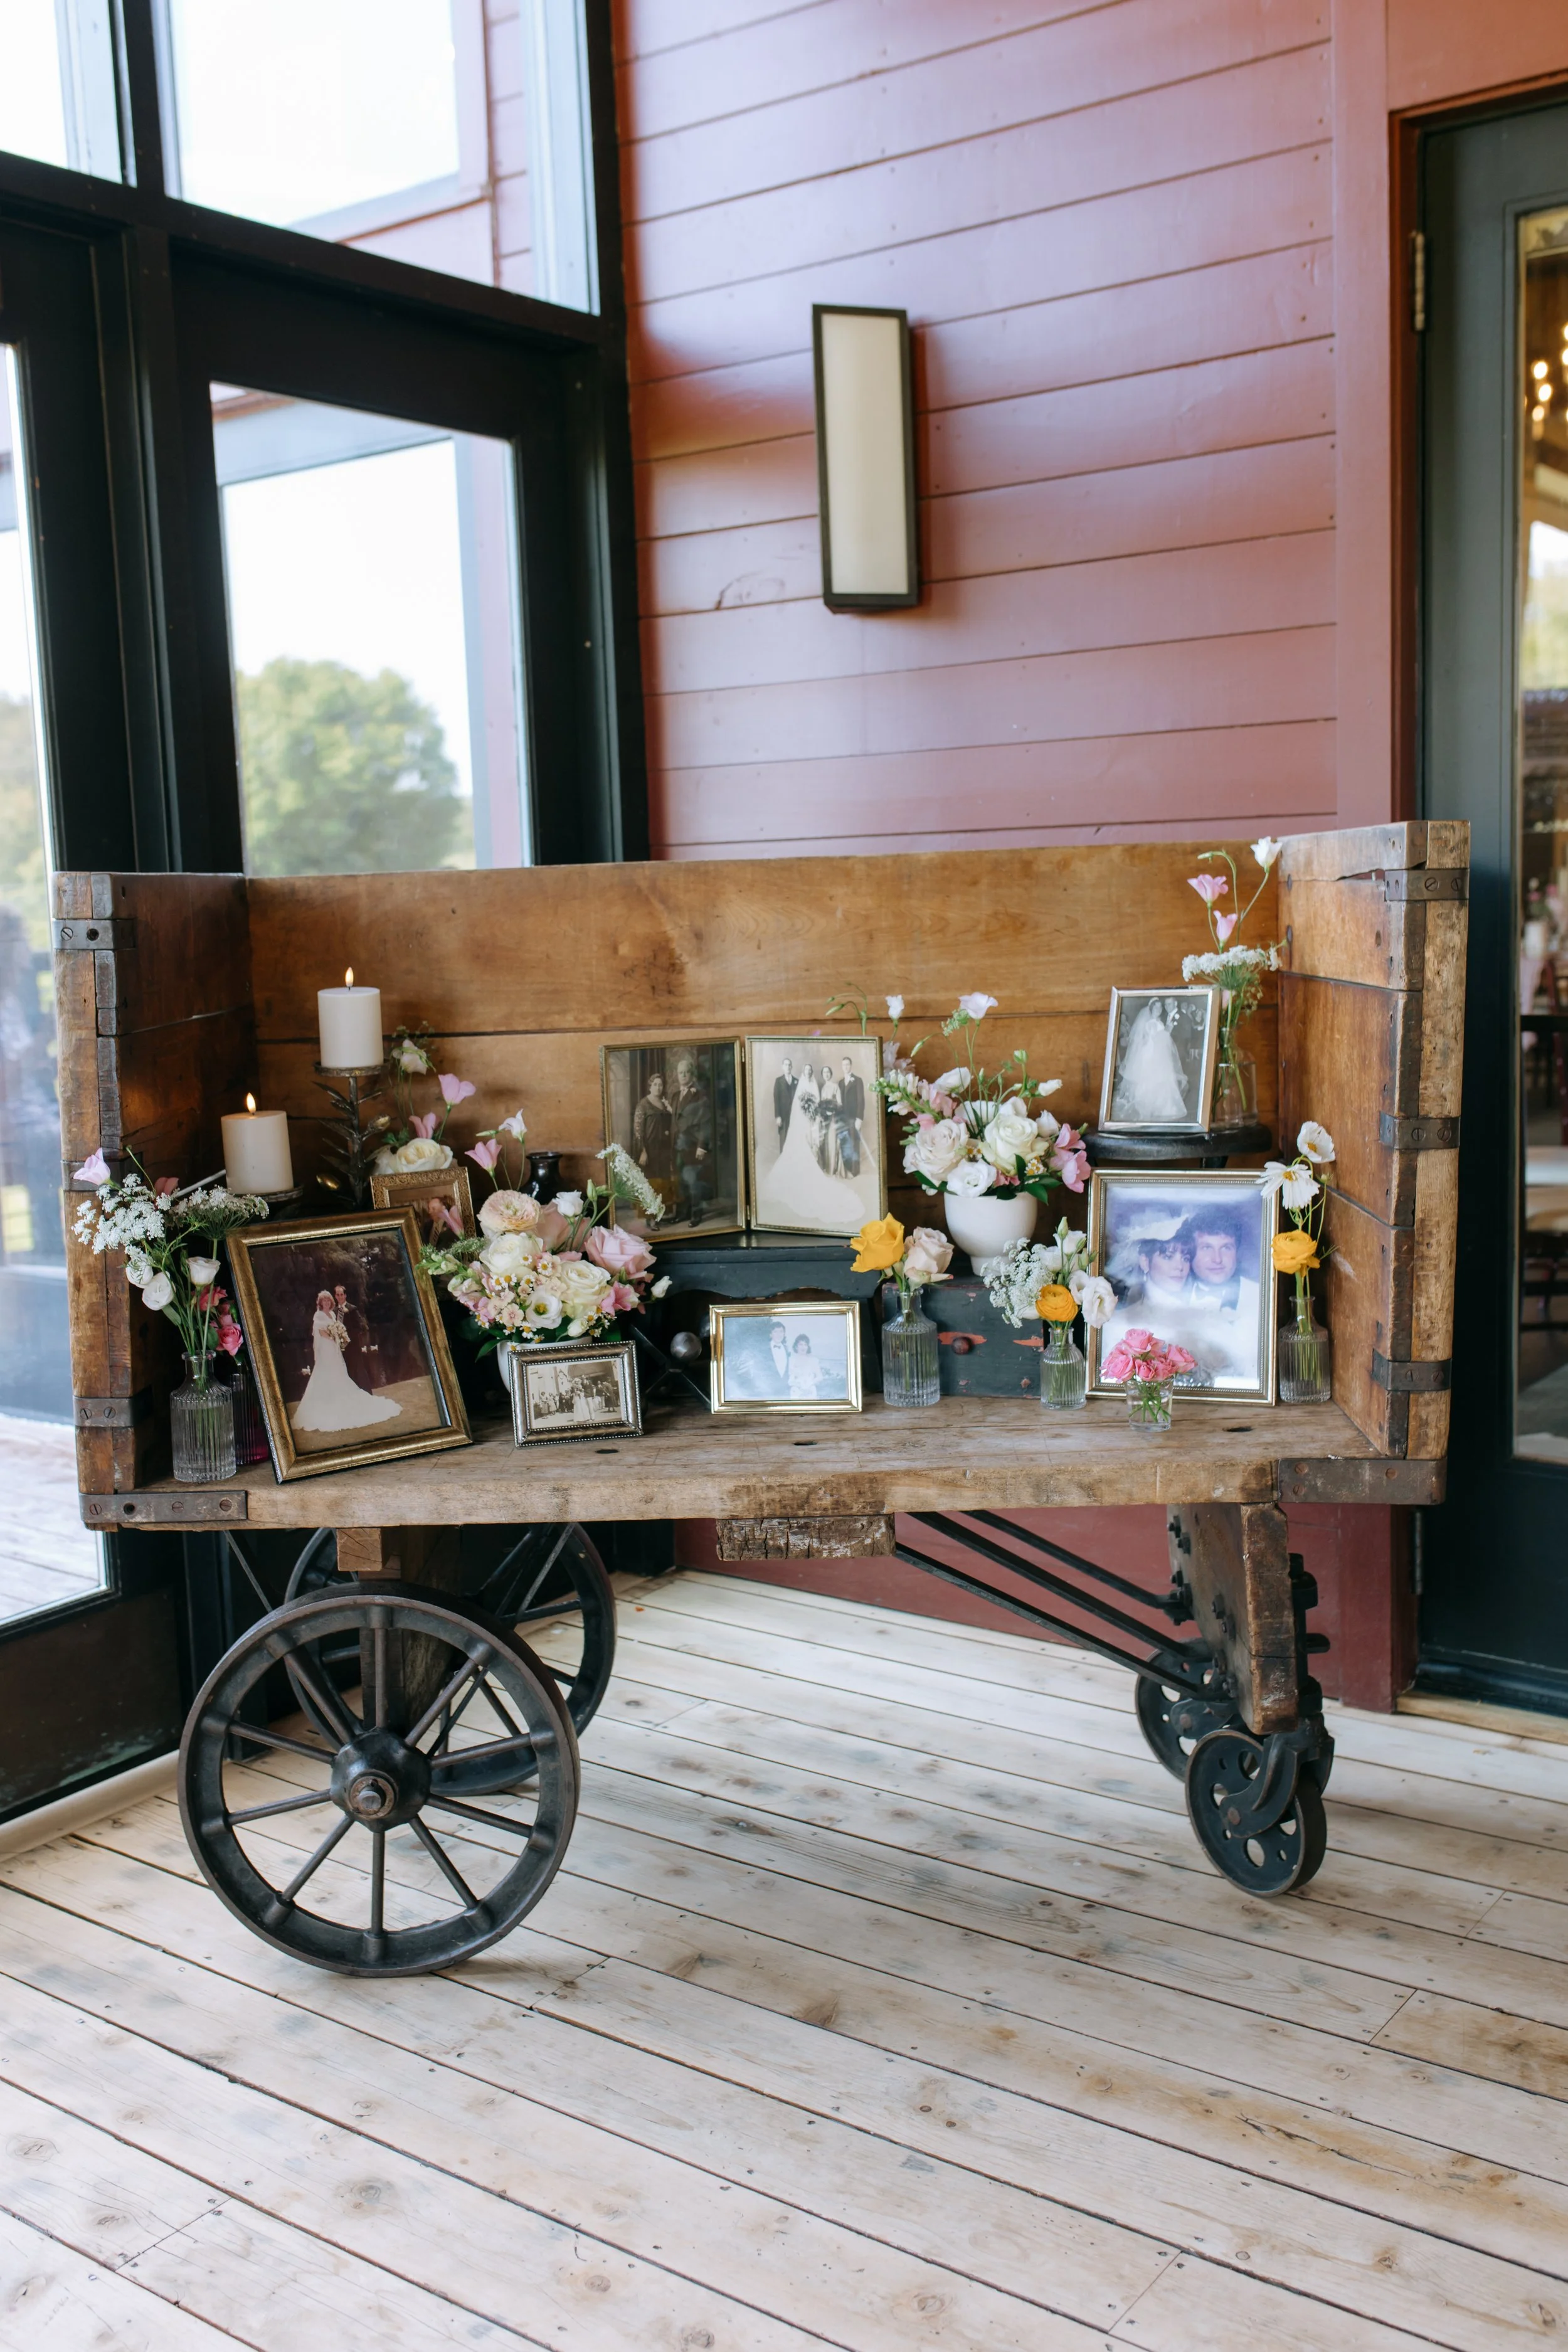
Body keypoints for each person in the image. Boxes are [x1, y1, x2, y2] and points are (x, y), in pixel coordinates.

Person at [294, 1287, 401, 1433]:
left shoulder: (332, 1313)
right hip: (326, 1348)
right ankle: (328, 1401)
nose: (326, 1302)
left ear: (330, 1302)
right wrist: (334, 1337)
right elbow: (320, 1332)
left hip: (335, 1348)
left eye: (328, 1300)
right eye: (323, 1300)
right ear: (320, 1302)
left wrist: (339, 1337)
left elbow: (340, 1327)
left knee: (339, 1372)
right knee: (327, 1372)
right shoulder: (318, 1315)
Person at [1114, 999, 1190, 1123]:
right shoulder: (1150, 1023)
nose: (1159, 1010)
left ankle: (1163, 1106)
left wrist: (1166, 1032)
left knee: (1164, 1079)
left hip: (1160, 1054)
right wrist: (1167, 1032)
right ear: (1151, 1009)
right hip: (1152, 1054)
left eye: (1161, 1007)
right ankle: (1153, 1107)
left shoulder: (1159, 1021)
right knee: (1153, 1079)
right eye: (1156, 1008)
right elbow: (1156, 1039)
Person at [670, 1056, 714, 1224]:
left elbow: (706, 1123)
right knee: (680, 1181)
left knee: (693, 1181)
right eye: (680, 1073)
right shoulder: (674, 1096)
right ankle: (683, 1212)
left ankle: (696, 1214)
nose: (683, 1076)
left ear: (692, 1075)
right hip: (678, 1146)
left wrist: (702, 1146)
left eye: (686, 1073)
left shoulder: (700, 1095)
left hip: (693, 1144)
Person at [632, 1069, 675, 1207]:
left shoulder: (665, 1104)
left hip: (664, 1149)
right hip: (650, 1150)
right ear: (650, 1087)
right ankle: (651, 1218)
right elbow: (638, 1130)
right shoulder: (643, 1104)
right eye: (655, 1084)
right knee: (651, 1182)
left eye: (661, 1085)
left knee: (664, 1180)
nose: (658, 1087)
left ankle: (664, 1214)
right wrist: (643, 1151)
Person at [836, 1054, 866, 1179]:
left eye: (848, 1064)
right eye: (844, 1065)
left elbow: (861, 1101)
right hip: (843, 1119)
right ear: (842, 1067)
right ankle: (846, 1169)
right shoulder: (841, 1083)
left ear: (851, 1066)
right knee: (845, 1144)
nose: (846, 1067)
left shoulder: (858, 1080)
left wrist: (859, 1118)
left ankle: (855, 1171)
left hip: (854, 1118)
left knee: (854, 1143)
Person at [773, 1058, 798, 1152]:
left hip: (795, 1116)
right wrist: (778, 1116)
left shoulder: (797, 1081)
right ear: (783, 1067)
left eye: (789, 1065)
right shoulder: (779, 1081)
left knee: (795, 1139)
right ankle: (783, 1164)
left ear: (792, 1067)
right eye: (786, 1065)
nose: (788, 1067)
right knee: (784, 1140)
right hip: (783, 1116)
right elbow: (776, 1099)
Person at [788, 1332, 822, 1399]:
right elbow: (790, 1378)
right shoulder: (791, 1360)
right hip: (796, 1391)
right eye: (801, 1344)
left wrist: (810, 1384)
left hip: (810, 1391)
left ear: (808, 1347)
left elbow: (820, 1377)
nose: (803, 1347)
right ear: (796, 1347)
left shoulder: (814, 1360)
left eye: (805, 1345)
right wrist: (799, 1387)